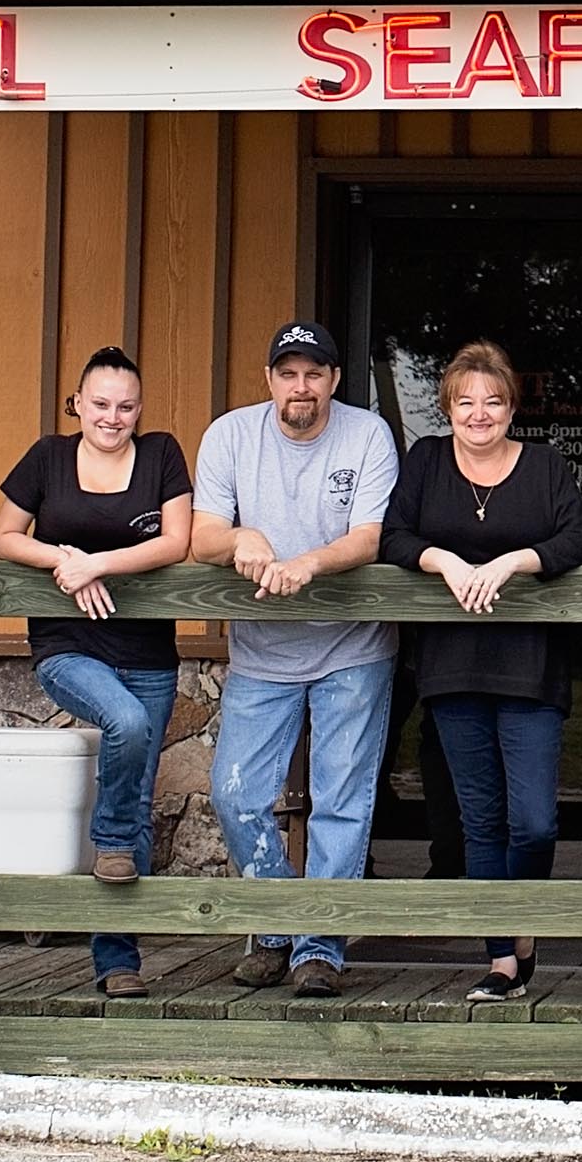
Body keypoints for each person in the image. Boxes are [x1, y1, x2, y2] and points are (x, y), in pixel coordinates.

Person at [379, 340, 582, 1000]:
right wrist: (445, 561)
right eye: (465, 402)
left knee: (532, 820)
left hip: (530, 664)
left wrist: (511, 562)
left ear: (511, 407)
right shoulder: (425, 463)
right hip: (452, 666)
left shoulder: (545, 467)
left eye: (492, 401)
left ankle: (521, 919)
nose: (479, 414)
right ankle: (503, 958)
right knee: (480, 820)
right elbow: (393, 537)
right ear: (447, 407)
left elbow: (577, 539)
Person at [193, 319, 402, 998]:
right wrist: (242, 539)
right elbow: (201, 535)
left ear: (335, 381)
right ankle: (277, 922)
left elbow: (370, 537)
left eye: (315, 373)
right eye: (288, 373)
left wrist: (308, 562)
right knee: (235, 793)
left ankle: (320, 947)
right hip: (261, 651)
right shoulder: (230, 435)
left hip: (353, 649)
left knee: (343, 803)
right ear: (269, 379)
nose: (301, 386)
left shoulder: (367, 434)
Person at [0, 346, 196, 998]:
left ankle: (117, 963)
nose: (114, 416)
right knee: (125, 725)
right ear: (78, 403)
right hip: (67, 645)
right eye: (101, 404)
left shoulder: (161, 453)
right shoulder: (48, 456)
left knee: (134, 797)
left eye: (126, 405)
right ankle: (106, 844)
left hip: (149, 654)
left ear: (140, 408)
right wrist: (60, 560)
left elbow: (175, 541)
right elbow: (3, 538)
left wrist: (98, 565)